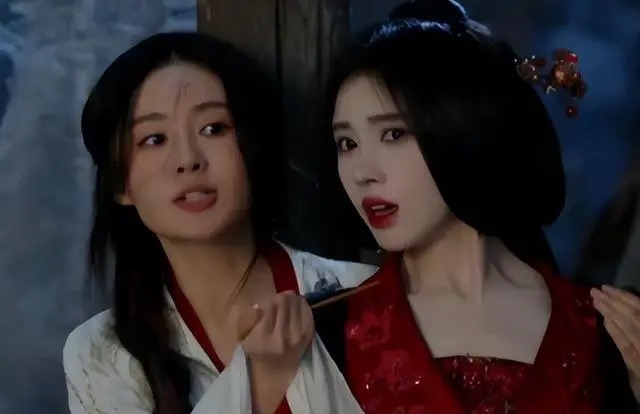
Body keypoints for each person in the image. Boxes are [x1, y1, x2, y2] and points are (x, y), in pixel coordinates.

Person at [316, 0, 640, 412]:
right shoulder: (329, 331)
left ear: (462, 130)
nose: (363, 172)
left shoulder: (604, 328)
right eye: (346, 143)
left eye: (394, 134)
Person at [62, 32, 374, 414]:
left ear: (253, 150)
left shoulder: (364, 296)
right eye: (154, 139)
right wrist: (260, 379)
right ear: (119, 184)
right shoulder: (99, 354)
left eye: (213, 129)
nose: (188, 160)